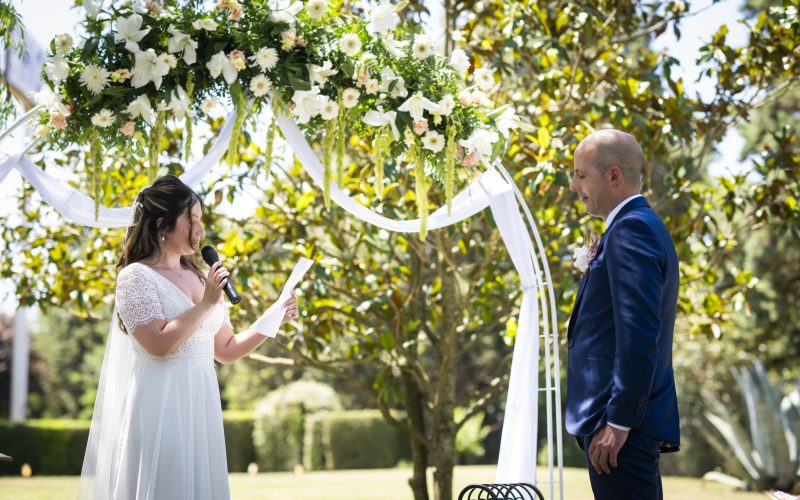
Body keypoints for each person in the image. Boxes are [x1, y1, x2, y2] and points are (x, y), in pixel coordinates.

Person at [79, 175, 298, 500]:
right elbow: (158, 344)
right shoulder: (136, 276)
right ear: (163, 224)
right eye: (191, 220)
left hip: (201, 402)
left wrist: (274, 316)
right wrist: (208, 302)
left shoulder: (200, 276)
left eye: (201, 220)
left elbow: (225, 349)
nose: (200, 230)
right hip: (160, 404)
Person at [565, 129, 680, 499]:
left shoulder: (632, 230)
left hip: (617, 427)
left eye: (581, 175)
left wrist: (618, 421)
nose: (573, 185)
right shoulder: (630, 227)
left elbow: (639, 333)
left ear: (613, 175)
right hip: (615, 423)